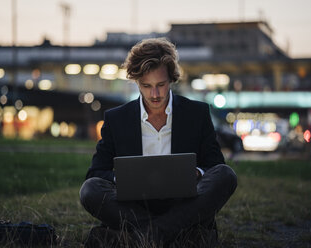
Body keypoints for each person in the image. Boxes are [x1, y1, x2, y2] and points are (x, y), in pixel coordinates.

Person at [80, 37, 237, 247]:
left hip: (184, 203)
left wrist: (197, 173)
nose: (154, 94)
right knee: (89, 189)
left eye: (161, 85)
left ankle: (146, 235)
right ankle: (171, 234)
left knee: (226, 176)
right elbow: (96, 173)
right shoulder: (116, 119)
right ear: (136, 82)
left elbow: (215, 165)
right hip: (134, 206)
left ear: (171, 79)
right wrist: (122, 179)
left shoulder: (196, 113)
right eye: (146, 86)